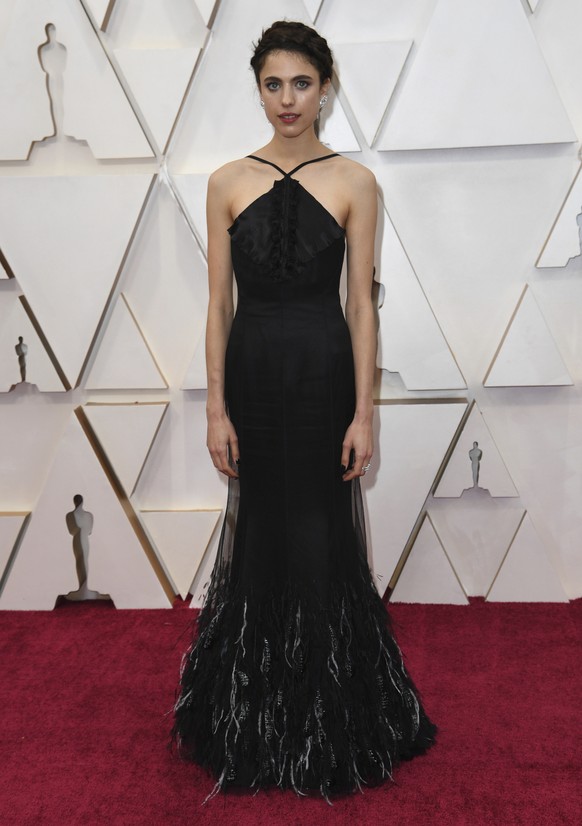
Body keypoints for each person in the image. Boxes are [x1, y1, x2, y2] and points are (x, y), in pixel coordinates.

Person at [170, 20, 437, 802]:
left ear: (327, 87)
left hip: (324, 375)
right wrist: (216, 407)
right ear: (257, 89)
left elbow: (362, 304)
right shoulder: (225, 180)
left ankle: (329, 716)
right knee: (259, 528)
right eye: (271, 84)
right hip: (252, 373)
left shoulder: (357, 182)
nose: (287, 100)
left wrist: (366, 413)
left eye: (301, 83)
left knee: (320, 530)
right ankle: (252, 715)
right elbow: (218, 305)